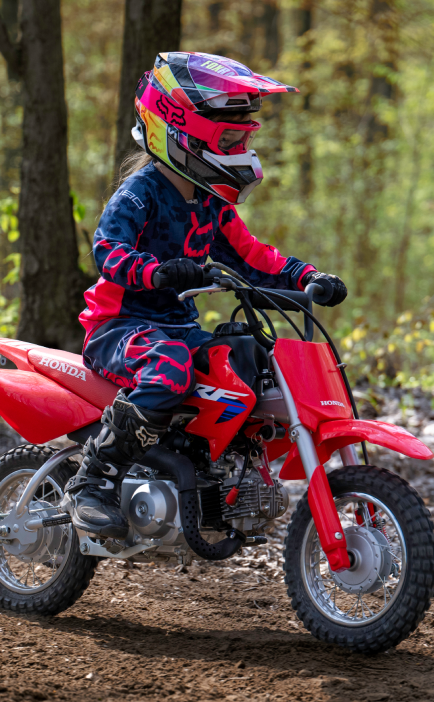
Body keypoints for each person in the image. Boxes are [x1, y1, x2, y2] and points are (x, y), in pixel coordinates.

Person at [67, 52, 349, 538]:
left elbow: (253, 257)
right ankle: (94, 478)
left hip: (175, 328)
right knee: (172, 364)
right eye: (230, 139)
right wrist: (156, 273)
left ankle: (207, 472)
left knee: (248, 356)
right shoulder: (140, 194)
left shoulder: (212, 204)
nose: (241, 148)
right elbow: (107, 252)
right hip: (119, 327)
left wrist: (307, 278)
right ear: (184, 134)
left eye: (244, 138)